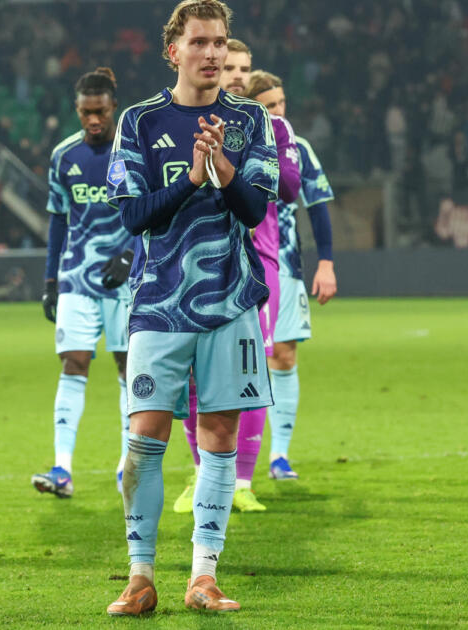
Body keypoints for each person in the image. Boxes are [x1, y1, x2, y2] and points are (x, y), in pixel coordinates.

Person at [105, 0, 277, 615]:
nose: (212, 53)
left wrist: (222, 165)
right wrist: (192, 178)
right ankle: (140, 575)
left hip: (231, 301)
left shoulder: (251, 120)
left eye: (220, 42)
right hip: (159, 302)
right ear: (173, 50)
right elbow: (134, 216)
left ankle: (204, 575)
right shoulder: (140, 121)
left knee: (219, 435)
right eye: (200, 42)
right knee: (144, 437)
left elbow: (254, 211)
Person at [172, 43, 300, 515]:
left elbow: (290, 188)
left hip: (255, 264)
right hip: (193, 264)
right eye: (230, 67)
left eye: (245, 68)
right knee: (192, 375)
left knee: (251, 371)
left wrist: (252, 153)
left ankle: (242, 480)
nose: (239, 75)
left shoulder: (269, 125)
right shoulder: (181, 121)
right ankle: (201, 472)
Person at [34, 67, 134, 498]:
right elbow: (58, 219)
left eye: (101, 112)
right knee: (73, 363)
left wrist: (131, 255)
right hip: (77, 277)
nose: (93, 120)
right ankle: (62, 468)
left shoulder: (133, 152)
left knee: (129, 368)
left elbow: (152, 211)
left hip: (126, 281)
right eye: (86, 113)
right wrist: (50, 280)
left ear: (114, 108)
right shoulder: (64, 156)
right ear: (77, 110)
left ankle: (128, 466)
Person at [248, 70, 339, 482]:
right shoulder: (241, 142)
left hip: (286, 266)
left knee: (283, 356)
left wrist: (326, 262)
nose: (279, 111)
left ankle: (279, 454)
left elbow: (317, 205)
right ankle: (236, 458)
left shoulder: (297, 147)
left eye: (282, 103)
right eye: (269, 106)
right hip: (245, 265)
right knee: (248, 359)